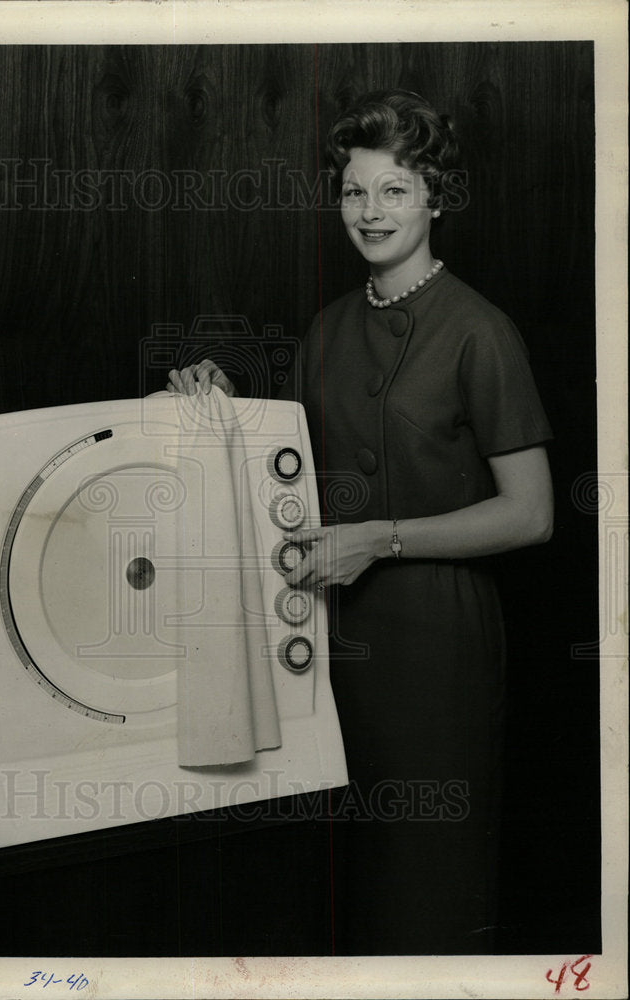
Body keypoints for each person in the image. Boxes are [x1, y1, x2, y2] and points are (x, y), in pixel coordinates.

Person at [166, 89, 553, 955]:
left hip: (438, 654)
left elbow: (531, 515)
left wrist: (379, 538)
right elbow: (287, 463)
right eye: (353, 191)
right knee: (339, 888)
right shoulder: (330, 326)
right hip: (328, 648)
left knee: (426, 888)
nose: (370, 212)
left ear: (436, 199)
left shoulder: (479, 331)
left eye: (394, 191)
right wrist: (217, 404)